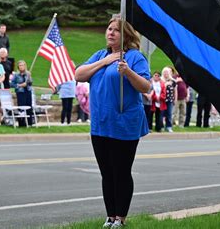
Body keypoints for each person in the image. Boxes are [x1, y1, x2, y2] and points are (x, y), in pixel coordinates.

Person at [75, 18, 151, 228]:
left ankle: (121, 218)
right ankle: (110, 217)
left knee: (121, 171)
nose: (111, 33)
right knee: (106, 172)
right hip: (101, 123)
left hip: (124, 123)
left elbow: (145, 87)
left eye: (116, 30)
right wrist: (104, 62)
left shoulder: (135, 57)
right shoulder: (100, 55)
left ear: (126, 34)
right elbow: (79, 74)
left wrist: (127, 71)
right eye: (109, 29)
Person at [10, 60, 34, 127]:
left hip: (28, 91)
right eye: (20, 65)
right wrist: (20, 85)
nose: (21, 67)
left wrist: (28, 81)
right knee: (21, 107)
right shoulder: (16, 75)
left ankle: (29, 123)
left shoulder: (28, 74)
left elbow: (31, 83)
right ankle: (22, 123)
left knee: (29, 106)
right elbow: (11, 84)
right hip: (20, 92)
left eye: (23, 65)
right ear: (18, 67)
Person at [161, 67, 176, 132]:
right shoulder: (161, 80)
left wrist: (175, 99)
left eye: (167, 72)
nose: (165, 74)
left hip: (170, 99)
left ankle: (169, 126)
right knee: (161, 114)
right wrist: (166, 84)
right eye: (164, 72)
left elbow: (175, 91)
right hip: (162, 99)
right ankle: (161, 126)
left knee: (169, 113)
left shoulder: (173, 81)